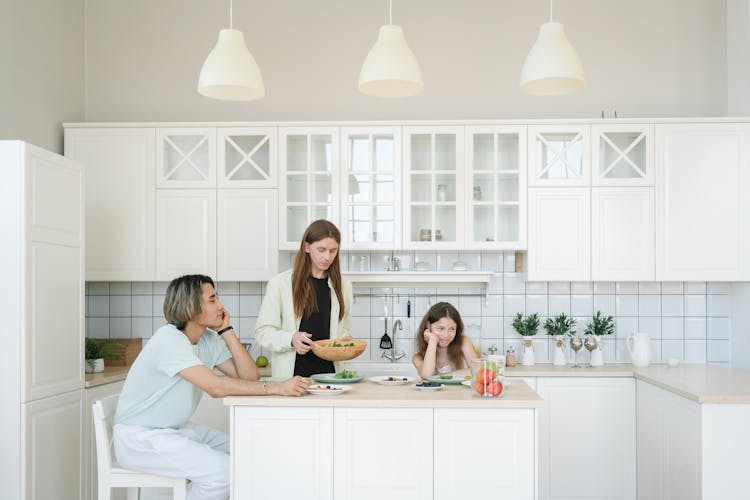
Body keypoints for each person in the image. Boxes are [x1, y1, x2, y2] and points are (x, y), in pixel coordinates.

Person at [113, 274, 309, 500]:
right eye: (213, 299)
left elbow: (248, 376)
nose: (221, 306)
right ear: (191, 307)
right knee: (225, 473)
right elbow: (215, 387)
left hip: (174, 430)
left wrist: (226, 331)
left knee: (246, 454)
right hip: (140, 438)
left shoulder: (205, 338)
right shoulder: (168, 340)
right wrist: (277, 388)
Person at [255, 220, 353, 378]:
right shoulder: (280, 284)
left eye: (333, 251)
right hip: (292, 381)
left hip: (332, 379)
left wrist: (344, 341)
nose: (327, 257)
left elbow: (343, 329)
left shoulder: (344, 286)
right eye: (321, 250)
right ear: (307, 247)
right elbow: (263, 332)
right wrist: (291, 339)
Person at [412, 302, 478, 380]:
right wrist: (432, 341)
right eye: (441, 328)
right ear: (428, 326)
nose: (446, 335)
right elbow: (427, 376)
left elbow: (477, 370)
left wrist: (441, 376)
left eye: (452, 329)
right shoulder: (417, 358)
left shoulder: (463, 341)